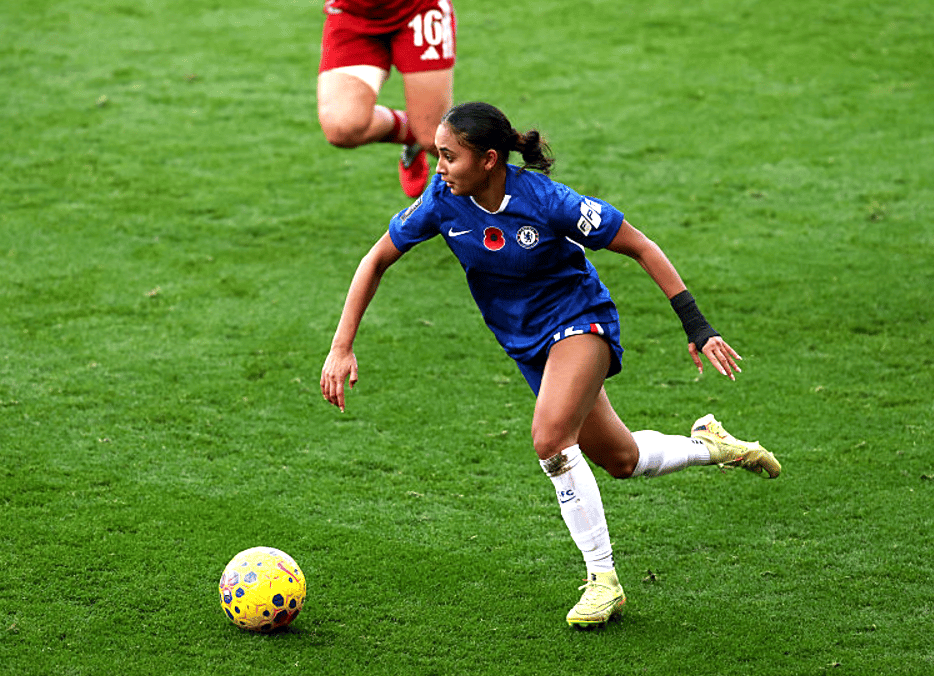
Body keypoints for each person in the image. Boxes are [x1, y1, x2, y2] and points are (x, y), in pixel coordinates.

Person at [319, 102, 781, 628]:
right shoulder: (443, 202)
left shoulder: (547, 201)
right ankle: (712, 446)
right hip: (527, 345)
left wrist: (697, 325)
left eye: (449, 156)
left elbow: (641, 246)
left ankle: (603, 581)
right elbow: (375, 259)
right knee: (621, 459)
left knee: (551, 439)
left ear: (489, 160)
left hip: (580, 323)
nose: (439, 167)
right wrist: (341, 345)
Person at [316, 0, 456, 198]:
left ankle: (496, 201)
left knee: (434, 139)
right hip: (354, 12)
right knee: (342, 127)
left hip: (418, 9)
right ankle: (411, 133)